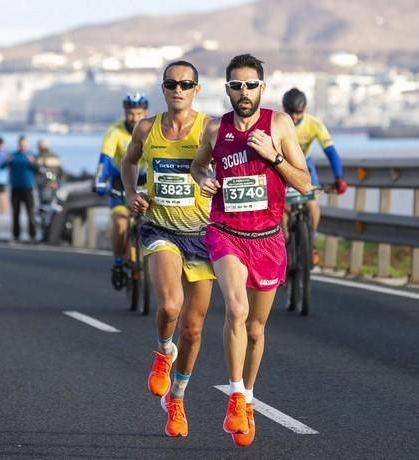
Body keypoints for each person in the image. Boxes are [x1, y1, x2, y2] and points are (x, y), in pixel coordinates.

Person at [190, 54, 311, 447]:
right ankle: (236, 393)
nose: (244, 92)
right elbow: (197, 168)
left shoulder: (277, 125)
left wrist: (273, 157)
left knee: (256, 330)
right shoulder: (214, 128)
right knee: (236, 309)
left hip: (268, 238)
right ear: (227, 89)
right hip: (225, 232)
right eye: (236, 85)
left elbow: (305, 184)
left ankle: (250, 398)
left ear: (262, 87)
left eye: (250, 85)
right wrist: (205, 181)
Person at [121, 61, 214, 438]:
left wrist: (217, 183)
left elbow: (233, 162)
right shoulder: (147, 127)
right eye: (172, 83)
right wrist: (131, 193)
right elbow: (128, 162)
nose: (179, 89)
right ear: (163, 88)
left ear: (196, 89)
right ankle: (162, 352)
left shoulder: (211, 127)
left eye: (186, 84)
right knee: (171, 305)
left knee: (192, 330)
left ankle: (176, 398)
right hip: (160, 227)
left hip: (204, 234)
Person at [281, 88, 347, 265]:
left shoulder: (314, 124)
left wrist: (339, 177)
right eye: (290, 112)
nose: (294, 117)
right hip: (284, 164)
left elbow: (331, 152)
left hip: (305, 164)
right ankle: (286, 243)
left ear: (305, 109)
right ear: (284, 109)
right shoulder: (278, 123)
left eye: (299, 113)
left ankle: (310, 241)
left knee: (313, 204)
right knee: (282, 207)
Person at [94, 93, 149, 289]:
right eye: (131, 113)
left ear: (145, 112)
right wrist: (100, 180)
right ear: (125, 112)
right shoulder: (115, 132)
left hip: (145, 179)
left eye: (139, 113)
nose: (135, 118)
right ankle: (118, 262)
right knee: (120, 224)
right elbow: (105, 159)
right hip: (120, 180)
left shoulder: (150, 129)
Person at [2, 135, 37, 242]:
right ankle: (16, 235)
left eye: (24, 145)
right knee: (15, 213)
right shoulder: (14, 155)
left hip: (28, 188)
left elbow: (37, 169)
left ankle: (32, 235)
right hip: (15, 188)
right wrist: (7, 161)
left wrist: (32, 162)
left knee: (30, 212)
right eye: (21, 145)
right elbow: (2, 166)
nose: (23, 146)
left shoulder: (31, 155)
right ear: (18, 145)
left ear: (27, 145)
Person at [35, 139, 63, 240]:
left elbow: (37, 172)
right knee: (54, 208)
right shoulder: (55, 157)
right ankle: (54, 232)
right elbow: (61, 172)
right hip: (55, 186)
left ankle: (45, 233)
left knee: (44, 210)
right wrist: (57, 183)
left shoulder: (40, 158)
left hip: (45, 187)